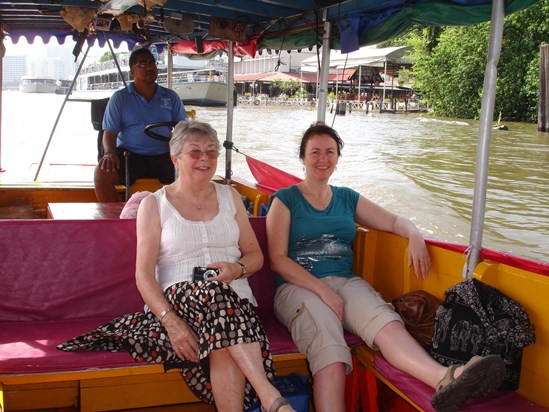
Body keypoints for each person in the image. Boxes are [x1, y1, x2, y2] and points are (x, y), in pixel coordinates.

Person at [265, 121, 506, 412]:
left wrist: (413, 234)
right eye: (315, 152)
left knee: (386, 323)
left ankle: (445, 378)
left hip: (345, 282)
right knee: (329, 348)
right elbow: (278, 260)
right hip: (298, 287)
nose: (322, 159)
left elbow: (394, 221)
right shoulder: (286, 199)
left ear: (338, 158)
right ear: (302, 157)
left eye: (330, 152)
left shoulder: (347, 198)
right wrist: (322, 291)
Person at [60, 120, 294, 412]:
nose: (205, 158)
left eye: (211, 151)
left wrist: (237, 270)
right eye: (195, 152)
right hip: (178, 300)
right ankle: (271, 398)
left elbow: (254, 256)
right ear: (175, 158)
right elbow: (143, 275)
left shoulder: (230, 196)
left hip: (235, 303)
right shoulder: (155, 205)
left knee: (221, 324)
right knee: (217, 300)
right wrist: (171, 323)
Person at [94, 48, 187, 202]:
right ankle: (118, 220)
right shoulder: (120, 98)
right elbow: (109, 132)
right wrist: (109, 152)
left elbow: (183, 130)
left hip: (165, 155)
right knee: (101, 175)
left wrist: (182, 152)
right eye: (143, 64)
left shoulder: (171, 97)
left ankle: (181, 217)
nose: (150, 67)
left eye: (152, 63)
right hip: (129, 156)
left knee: (194, 168)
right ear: (133, 71)